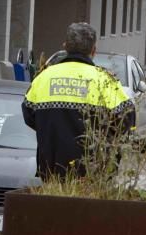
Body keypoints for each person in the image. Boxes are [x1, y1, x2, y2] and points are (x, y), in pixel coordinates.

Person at [22, 22, 135, 178]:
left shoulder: (44, 78)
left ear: (65, 46)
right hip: (94, 173)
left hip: (52, 172)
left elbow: (29, 115)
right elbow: (127, 118)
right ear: (93, 50)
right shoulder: (104, 80)